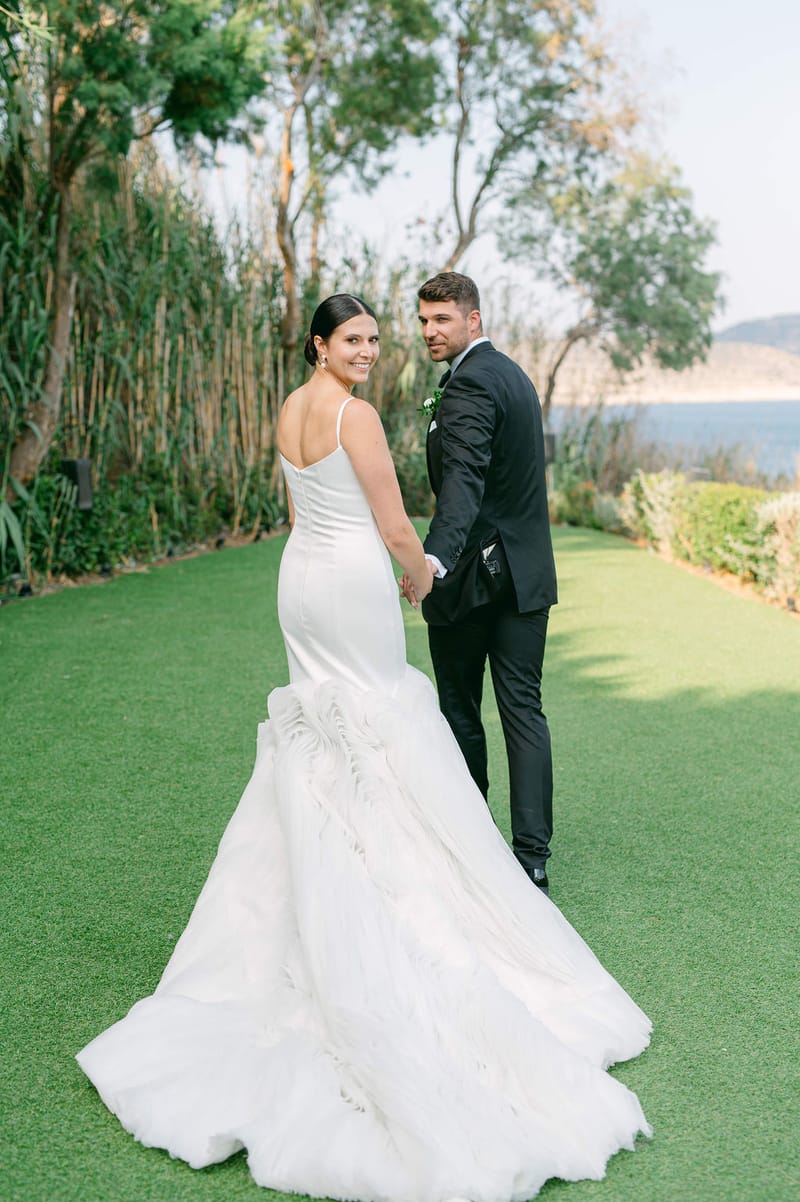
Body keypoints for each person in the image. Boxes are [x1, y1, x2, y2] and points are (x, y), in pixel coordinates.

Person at [76, 294, 651, 1202]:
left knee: (320, 730)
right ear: (320, 343)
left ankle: (324, 870)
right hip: (351, 583)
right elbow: (393, 530)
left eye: (377, 341)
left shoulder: (287, 409)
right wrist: (423, 577)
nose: (371, 352)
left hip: (302, 580)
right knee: (381, 724)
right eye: (355, 340)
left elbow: (302, 514)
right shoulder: (356, 415)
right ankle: (400, 883)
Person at [405, 272, 557, 895]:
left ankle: (476, 841)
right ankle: (532, 857)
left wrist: (432, 561)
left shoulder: (468, 382)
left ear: (472, 318)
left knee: (459, 707)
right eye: (422, 321)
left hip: (471, 580)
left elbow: (463, 484)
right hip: (527, 573)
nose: (429, 332)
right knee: (523, 710)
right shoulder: (514, 375)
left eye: (442, 319)